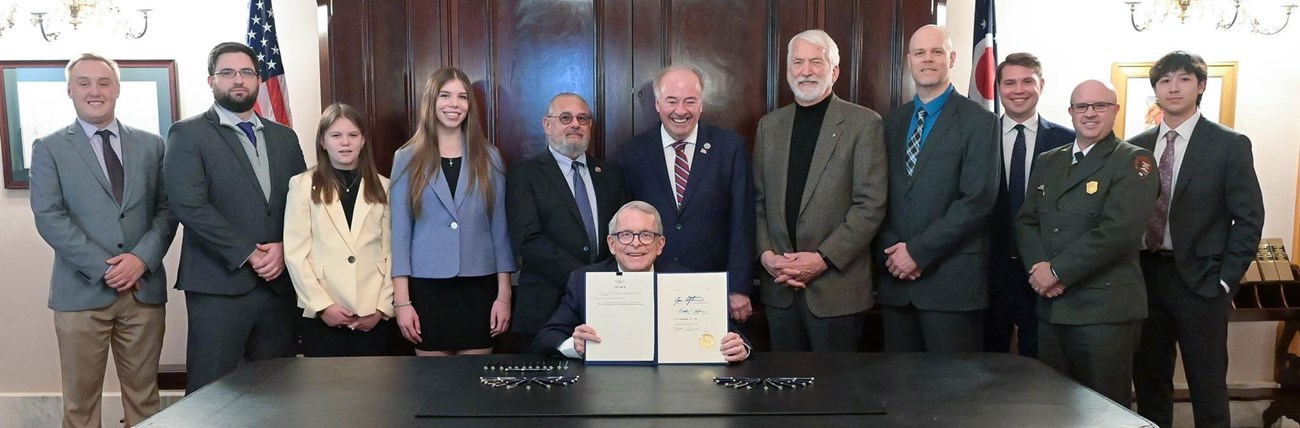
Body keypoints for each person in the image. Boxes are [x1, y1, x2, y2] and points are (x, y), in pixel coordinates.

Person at [29, 53, 176, 427]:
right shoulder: (49, 148)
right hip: (81, 295)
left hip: (143, 291)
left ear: (117, 89)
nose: (95, 91)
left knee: (145, 401)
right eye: (84, 83)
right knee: (80, 407)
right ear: (69, 91)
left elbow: (167, 210)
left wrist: (140, 259)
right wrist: (104, 268)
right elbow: (49, 216)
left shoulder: (152, 144)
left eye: (103, 82)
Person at [1131, 51, 1264, 428]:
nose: (1173, 87)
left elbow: (1249, 217)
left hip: (1202, 282)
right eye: (1165, 80)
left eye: (1184, 79)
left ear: (1201, 86)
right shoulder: (1136, 147)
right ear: (1155, 89)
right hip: (1144, 278)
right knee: (1149, 383)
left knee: (1207, 388)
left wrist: (1226, 278)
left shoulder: (1228, 144)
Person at [164, 42, 306, 393]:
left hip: (278, 287)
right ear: (211, 80)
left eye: (246, 72)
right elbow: (189, 205)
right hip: (218, 286)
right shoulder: (187, 134)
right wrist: (251, 253)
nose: (237, 80)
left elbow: (303, 204)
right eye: (227, 73)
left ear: (258, 79)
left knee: (277, 390)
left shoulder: (284, 138)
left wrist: (284, 247)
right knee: (212, 392)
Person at [1016, 79, 1159, 405]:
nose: (1090, 113)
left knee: (1102, 411)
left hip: (1103, 313)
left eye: (1100, 106)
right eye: (1082, 106)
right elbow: (1027, 220)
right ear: (1070, 112)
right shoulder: (1049, 161)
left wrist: (1057, 272)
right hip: (1052, 309)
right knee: (1054, 408)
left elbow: (1117, 233)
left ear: (1115, 111)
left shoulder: (1135, 161)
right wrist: (1038, 270)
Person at [753, 29, 887, 352]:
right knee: (784, 392)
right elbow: (758, 202)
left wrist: (822, 259)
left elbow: (870, 205)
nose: (806, 70)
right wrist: (766, 254)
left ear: (835, 71)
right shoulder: (769, 126)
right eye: (798, 62)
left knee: (835, 395)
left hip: (836, 290)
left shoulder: (864, 123)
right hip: (780, 288)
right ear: (787, 72)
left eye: (817, 61)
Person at [876, 24, 998, 353]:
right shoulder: (891, 122)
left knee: (951, 396)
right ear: (909, 60)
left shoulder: (980, 121)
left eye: (936, 52)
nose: (927, 59)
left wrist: (916, 253)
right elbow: (876, 196)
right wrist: (893, 253)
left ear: (952, 58)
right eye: (919, 53)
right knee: (898, 393)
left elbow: (977, 201)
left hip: (951, 285)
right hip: (895, 283)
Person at [390, 67, 515, 356]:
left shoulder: (490, 157)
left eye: (462, 97)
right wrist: (403, 302)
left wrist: (504, 295)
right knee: (432, 387)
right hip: (427, 290)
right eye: (445, 95)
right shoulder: (406, 158)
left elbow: (500, 230)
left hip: (479, 288)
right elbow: (399, 236)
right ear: (431, 102)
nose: (453, 104)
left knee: (475, 386)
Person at [619, 65, 756, 322]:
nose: (680, 111)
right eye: (672, 101)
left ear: (701, 104)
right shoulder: (632, 153)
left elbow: (743, 221)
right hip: (649, 286)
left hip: (714, 288)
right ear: (658, 104)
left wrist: (738, 286)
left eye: (690, 101)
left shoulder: (730, 148)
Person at [534, 201, 750, 362]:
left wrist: (739, 348)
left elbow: (738, 339)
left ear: (660, 244)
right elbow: (546, 337)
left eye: (646, 235)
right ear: (611, 244)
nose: (636, 244)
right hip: (606, 387)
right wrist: (575, 345)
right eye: (626, 235)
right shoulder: (584, 280)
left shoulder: (684, 281)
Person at [508, 93, 627, 348]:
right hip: (545, 308)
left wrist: (600, 283)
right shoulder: (524, 175)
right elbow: (528, 239)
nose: (575, 124)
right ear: (547, 125)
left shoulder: (611, 174)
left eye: (582, 118)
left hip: (607, 305)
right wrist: (583, 279)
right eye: (565, 118)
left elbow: (622, 235)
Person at [284, 103, 394, 357]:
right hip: (325, 314)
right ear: (323, 141)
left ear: (363, 140)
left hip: (371, 315)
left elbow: (392, 253)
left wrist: (381, 307)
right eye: (336, 135)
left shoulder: (384, 187)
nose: (345, 142)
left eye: (353, 135)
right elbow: (295, 254)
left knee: (375, 392)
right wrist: (323, 306)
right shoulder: (303, 185)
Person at [984, 52, 1075, 357]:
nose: (1018, 90)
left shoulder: (1068, 140)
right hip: (990, 272)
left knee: (1043, 367)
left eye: (1027, 81)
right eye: (1009, 83)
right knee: (986, 369)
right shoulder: (979, 138)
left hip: (1046, 272)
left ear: (1041, 84)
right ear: (998, 87)